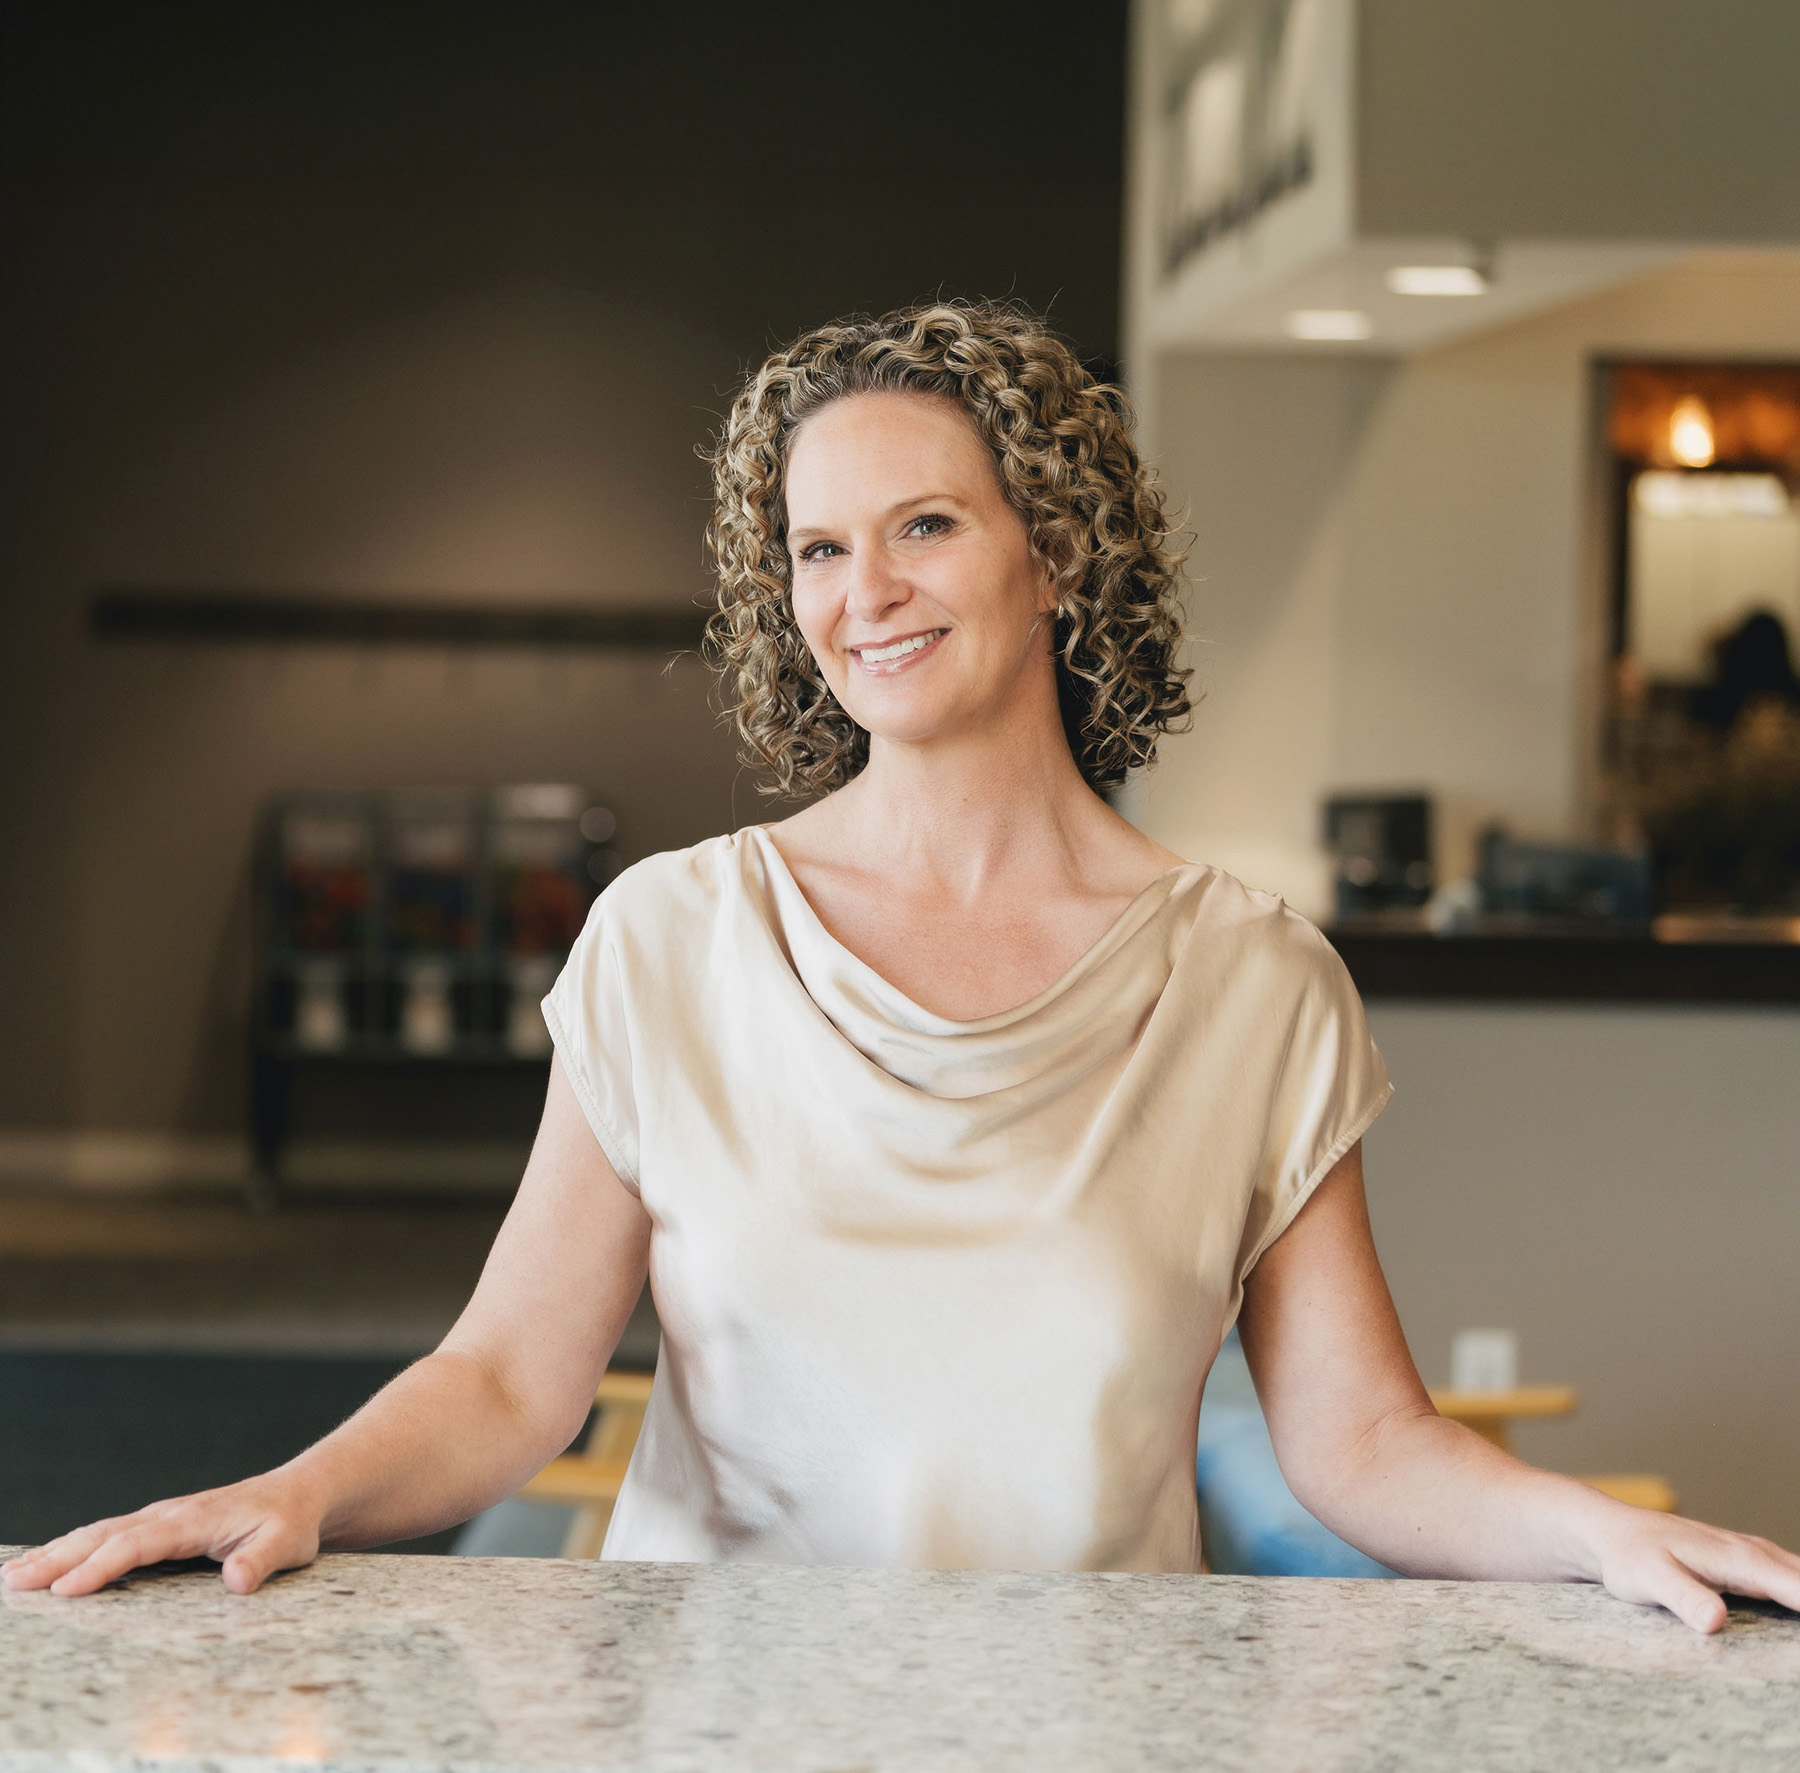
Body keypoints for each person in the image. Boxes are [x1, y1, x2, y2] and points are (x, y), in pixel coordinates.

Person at [7, 302, 1797, 1631]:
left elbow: (1363, 1442)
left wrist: (1601, 1534)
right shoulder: (672, 936)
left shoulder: (1254, 981)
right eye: (816, 546)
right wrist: (287, 1489)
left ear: (1059, 551)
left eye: (925, 524)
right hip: (713, 1719)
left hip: (1094, 1731)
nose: (864, 589)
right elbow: (507, 1377)